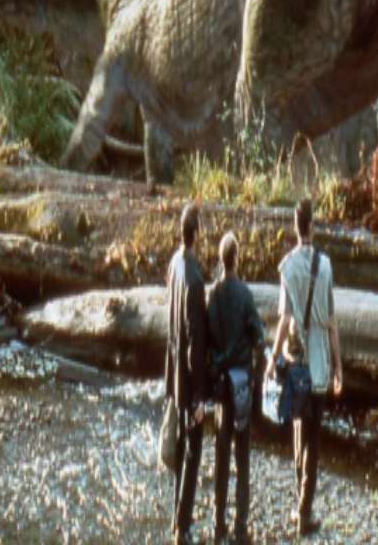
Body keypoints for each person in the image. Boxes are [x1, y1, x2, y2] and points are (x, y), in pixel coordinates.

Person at [269, 198, 343, 537]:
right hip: (320, 363)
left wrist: (273, 357)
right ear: (312, 225)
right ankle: (304, 510)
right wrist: (339, 367)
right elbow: (332, 323)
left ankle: (300, 501)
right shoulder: (325, 267)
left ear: (295, 227)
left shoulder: (286, 267)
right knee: (314, 435)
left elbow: (284, 319)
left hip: (296, 361)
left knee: (299, 428)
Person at [208, 232, 264, 545]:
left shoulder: (213, 294)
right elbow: (258, 335)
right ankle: (240, 527)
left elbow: (207, 337)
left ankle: (219, 525)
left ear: (221, 259)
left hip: (220, 386)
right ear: (237, 259)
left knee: (221, 456)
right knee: (242, 457)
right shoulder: (245, 294)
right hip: (241, 383)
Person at [165, 205, 208, 545]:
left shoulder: (174, 264)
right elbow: (196, 343)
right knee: (193, 451)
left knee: (181, 447)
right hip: (188, 380)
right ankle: (183, 527)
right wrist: (200, 397)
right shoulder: (194, 279)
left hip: (173, 372)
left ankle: (176, 517)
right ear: (196, 233)